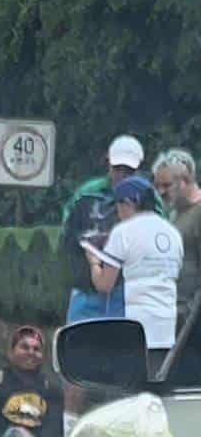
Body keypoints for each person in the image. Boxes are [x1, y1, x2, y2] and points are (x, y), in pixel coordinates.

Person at [59, 135, 146, 414]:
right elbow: (66, 239)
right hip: (88, 294)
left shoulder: (149, 198)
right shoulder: (86, 195)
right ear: (107, 163)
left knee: (125, 370)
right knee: (76, 366)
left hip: (127, 296)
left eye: (129, 171)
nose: (122, 175)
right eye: (118, 168)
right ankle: (69, 428)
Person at [86, 175, 183, 375]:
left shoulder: (123, 232)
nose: (118, 213)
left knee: (130, 393)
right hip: (168, 330)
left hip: (134, 330)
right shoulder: (173, 233)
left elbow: (104, 285)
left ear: (130, 202)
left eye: (118, 206)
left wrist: (94, 261)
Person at [153, 148, 201, 327]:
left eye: (166, 185)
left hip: (192, 320)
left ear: (185, 181)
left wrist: (191, 311)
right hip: (174, 313)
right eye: (157, 186)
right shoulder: (174, 214)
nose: (161, 192)